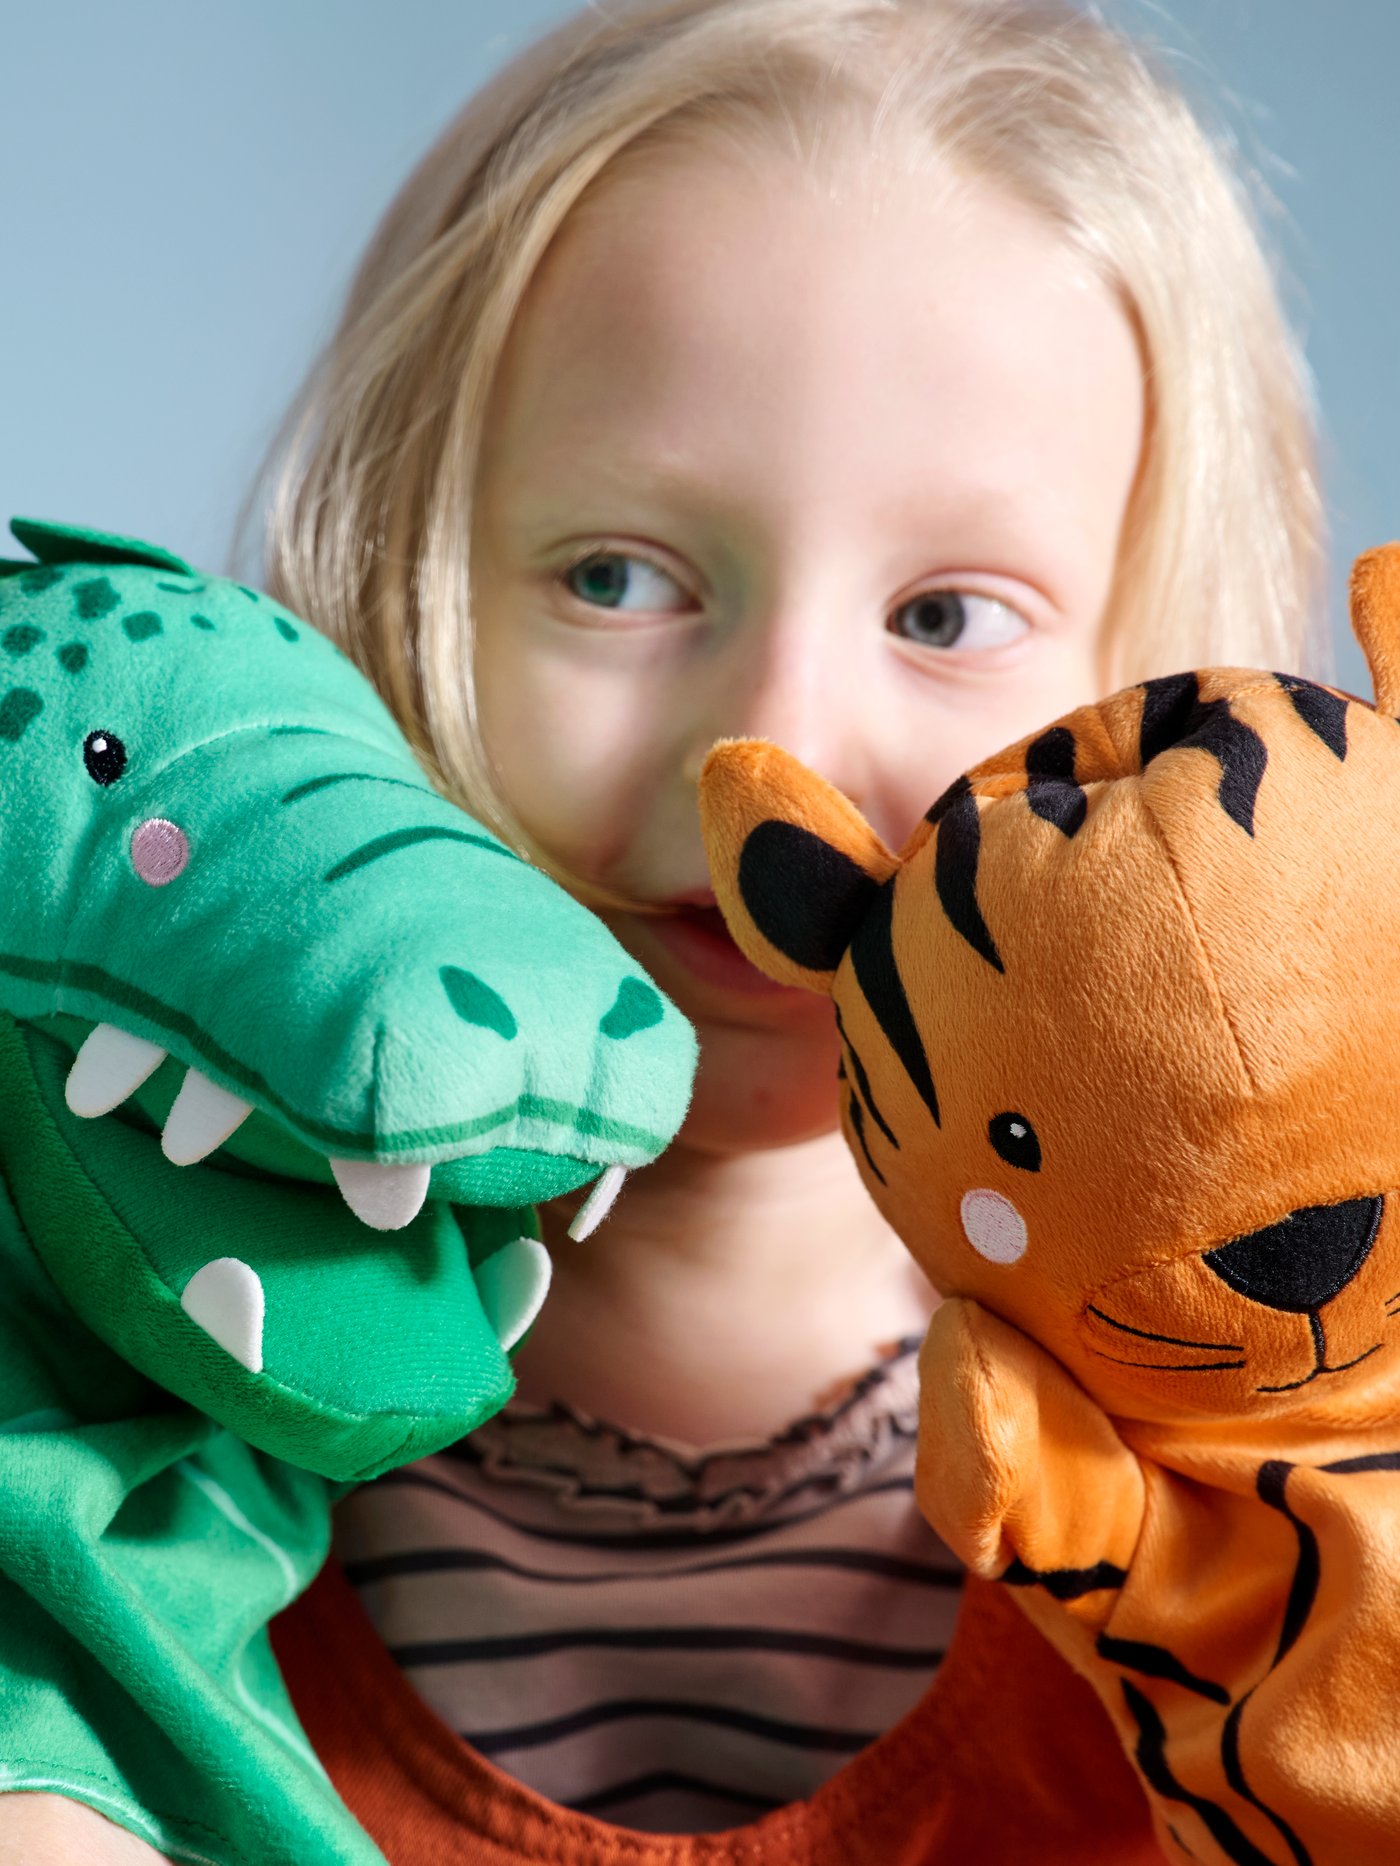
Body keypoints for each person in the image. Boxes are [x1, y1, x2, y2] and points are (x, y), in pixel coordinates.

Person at [5, 0, 1322, 1858]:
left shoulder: (1290, 1532)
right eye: (617, 577)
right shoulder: (98, 1436)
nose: (768, 751)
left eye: (948, 616)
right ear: (389, 570)